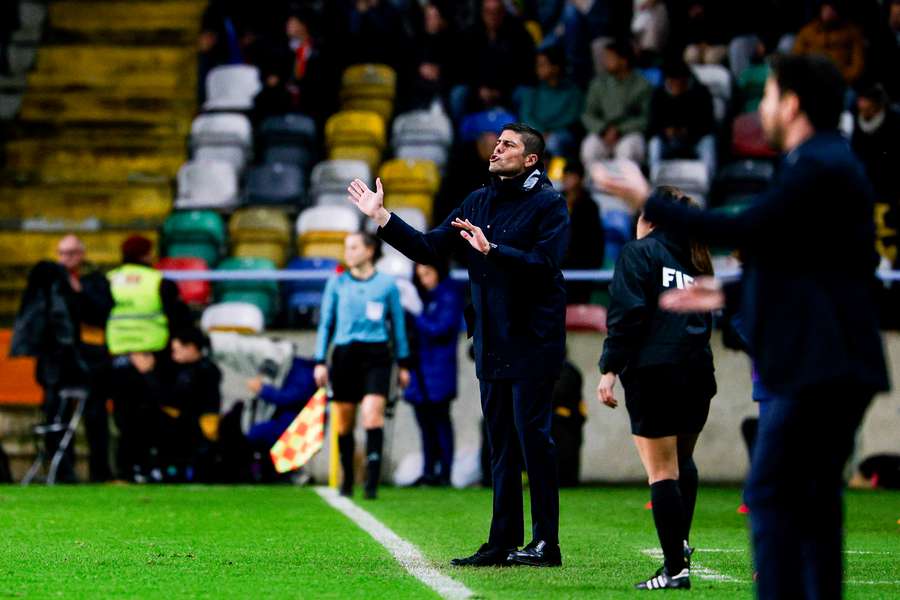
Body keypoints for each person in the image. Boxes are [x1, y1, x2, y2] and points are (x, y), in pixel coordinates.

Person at [593, 53, 889, 599]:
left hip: (821, 361)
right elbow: (805, 259)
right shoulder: (827, 163)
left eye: (770, 95)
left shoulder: (817, 163)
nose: (762, 108)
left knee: (774, 492)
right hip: (838, 359)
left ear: (793, 103)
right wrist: (728, 289)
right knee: (813, 507)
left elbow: (751, 229)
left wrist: (649, 200)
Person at [348, 122, 569, 567]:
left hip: (533, 339)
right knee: (501, 445)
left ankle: (547, 542)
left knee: (534, 441)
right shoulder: (478, 199)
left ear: (530, 160)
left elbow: (547, 265)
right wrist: (383, 218)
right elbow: (430, 247)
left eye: (508, 145)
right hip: (492, 340)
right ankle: (502, 541)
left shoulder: (550, 204)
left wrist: (494, 252)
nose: (496, 148)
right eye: (497, 142)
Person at [596, 186, 716, 590]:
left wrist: (609, 368)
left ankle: (674, 569)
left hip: (656, 370)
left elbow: (627, 314)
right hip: (698, 371)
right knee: (684, 460)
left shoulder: (638, 252)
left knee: (661, 470)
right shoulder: (697, 258)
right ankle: (680, 546)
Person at [313, 232, 411, 500]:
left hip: (376, 355)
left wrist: (404, 363)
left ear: (369, 251)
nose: (348, 252)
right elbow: (326, 323)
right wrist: (320, 360)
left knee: (372, 414)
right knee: (344, 422)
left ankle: (371, 483)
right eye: (347, 247)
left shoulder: (386, 285)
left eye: (354, 247)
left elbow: (398, 326)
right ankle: (347, 478)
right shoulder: (337, 283)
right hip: (344, 355)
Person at [404, 260, 464, 486]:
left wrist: (417, 313)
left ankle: (445, 472)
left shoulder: (448, 295)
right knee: (424, 422)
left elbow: (439, 329)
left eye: (427, 273)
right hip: (419, 367)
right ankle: (428, 470)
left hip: (439, 368)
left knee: (440, 420)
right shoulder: (424, 296)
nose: (424, 280)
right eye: (420, 275)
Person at [580, 40, 651, 167]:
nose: (604, 62)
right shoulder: (599, 84)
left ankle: (624, 186)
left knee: (626, 151)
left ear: (623, 61)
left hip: (630, 134)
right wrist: (604, 129)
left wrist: (619, 130)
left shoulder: (643, 85)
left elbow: (645, 119)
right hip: (603, 133)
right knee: (590, 148)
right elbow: (587, 114)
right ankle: (594, 186)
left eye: (609, 58)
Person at [646, 58, 717, 178]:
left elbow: (708, 124)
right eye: (670, 82)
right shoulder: (659, 94)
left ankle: (709, 180)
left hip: (694, 139)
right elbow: (652, 125)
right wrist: (666, 132)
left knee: (708, 142)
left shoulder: (701, 92)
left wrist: (687, 131)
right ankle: (654, 178)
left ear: (685, 79)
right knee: (655, 143)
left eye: (677, 81)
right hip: (668, 140)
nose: (674, 85)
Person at [517, 45, 584, 159]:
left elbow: (571, 117)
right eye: (537, 65)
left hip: (560, 133)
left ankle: (555, 175)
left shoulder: (573, 91)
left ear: (555, 67)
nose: (538, 68)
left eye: (542, 65)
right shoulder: (533, 90)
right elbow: (526, 116)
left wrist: (549, 132)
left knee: (553, 142)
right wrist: (541, 132)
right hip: (536, 133)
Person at [560, 160, 605, 303]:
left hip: (581, 265)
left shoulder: (590, 206)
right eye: (565, 175)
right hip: (556, 264)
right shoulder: (554, 201)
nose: (568, 179)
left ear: (580, 178)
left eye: (571, 175)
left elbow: (596, 240)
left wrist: (592, 267)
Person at [793, 1, 865, 84]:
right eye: (826, 8)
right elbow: (797, 56)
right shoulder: (808, 31)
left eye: (832, 9)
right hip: (811, 79)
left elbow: (858, 64)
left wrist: (844, 78)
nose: (828, 12)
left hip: (840, 80)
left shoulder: (852, 32)